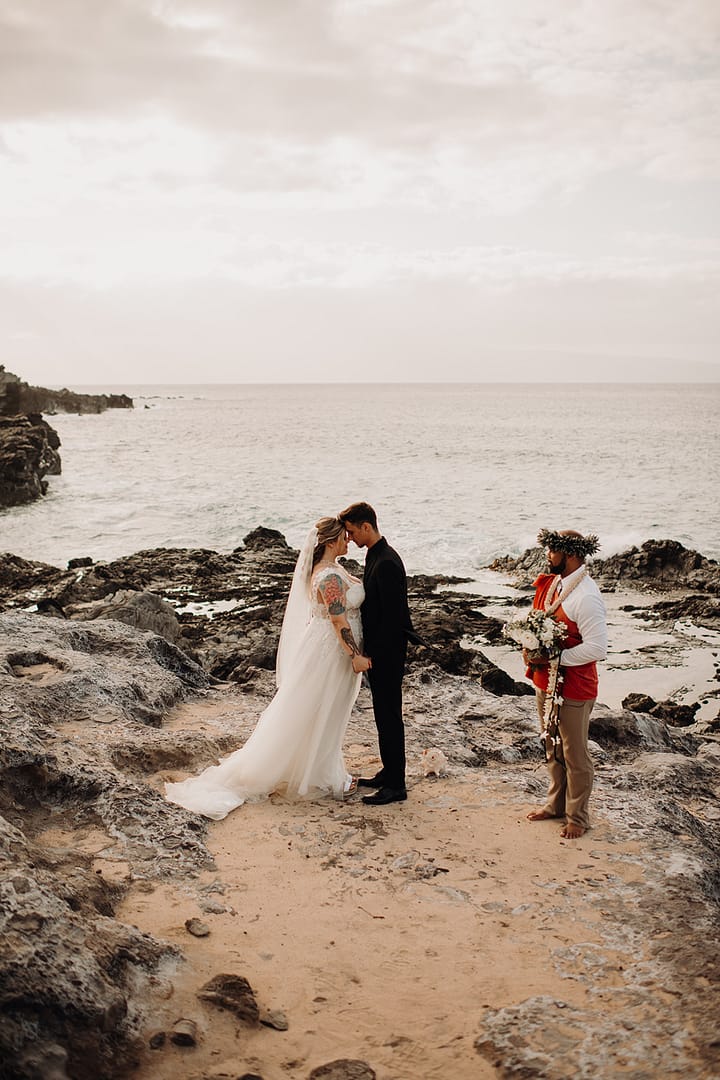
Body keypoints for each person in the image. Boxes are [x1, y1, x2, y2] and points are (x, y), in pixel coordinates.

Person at [165, 516, 372, 819]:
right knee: (321, 710)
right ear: (329, 541)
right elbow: (338, 620)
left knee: (326, 710)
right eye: (343, 536)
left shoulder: (334, 569)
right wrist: (355, 655)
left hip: (327, 649)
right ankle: (319, 775)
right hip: (330, 654)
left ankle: (321, 767)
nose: (348, 540)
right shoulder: (327, 577)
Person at [524, 528, 608, 839]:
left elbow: (598, 648)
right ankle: (555, 805)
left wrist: (555, 658)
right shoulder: (557, 584)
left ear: (569, 555)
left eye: (552, 550)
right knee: (551, 744)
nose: (547, 555)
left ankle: (578, 818)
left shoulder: (586, 597)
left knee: (575, 754)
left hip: (574, 687)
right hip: (547, 682)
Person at [339, 502, 420, 806]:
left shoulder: (386, 561)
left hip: (387, 653)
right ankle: (389, 771)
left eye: (351, 531)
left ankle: (396, 785)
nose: (350, 537)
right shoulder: (375, 554)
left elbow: (392, 618)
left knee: (389, 716)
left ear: (366, 526)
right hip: (380, 652)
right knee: (383, 715)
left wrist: (371, 654)